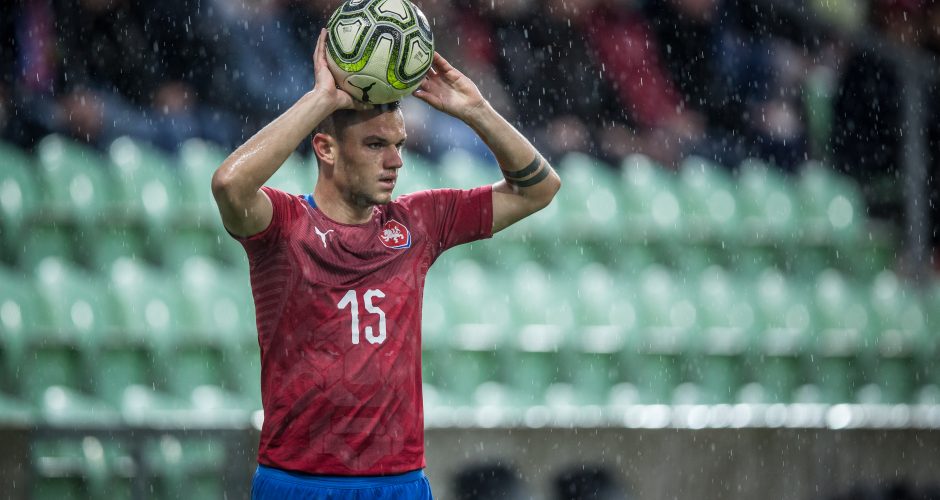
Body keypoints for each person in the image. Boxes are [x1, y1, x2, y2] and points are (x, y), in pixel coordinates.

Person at [211, 29, 561, 498]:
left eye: (399, 144)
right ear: (326, 148)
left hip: (400, 481)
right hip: (299, 480)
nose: (395, 161)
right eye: (376, 145)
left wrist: (476, 109)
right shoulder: (284, 225)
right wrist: (321, 100)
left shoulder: (418, 221)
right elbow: (229, 185)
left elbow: (539, 188)